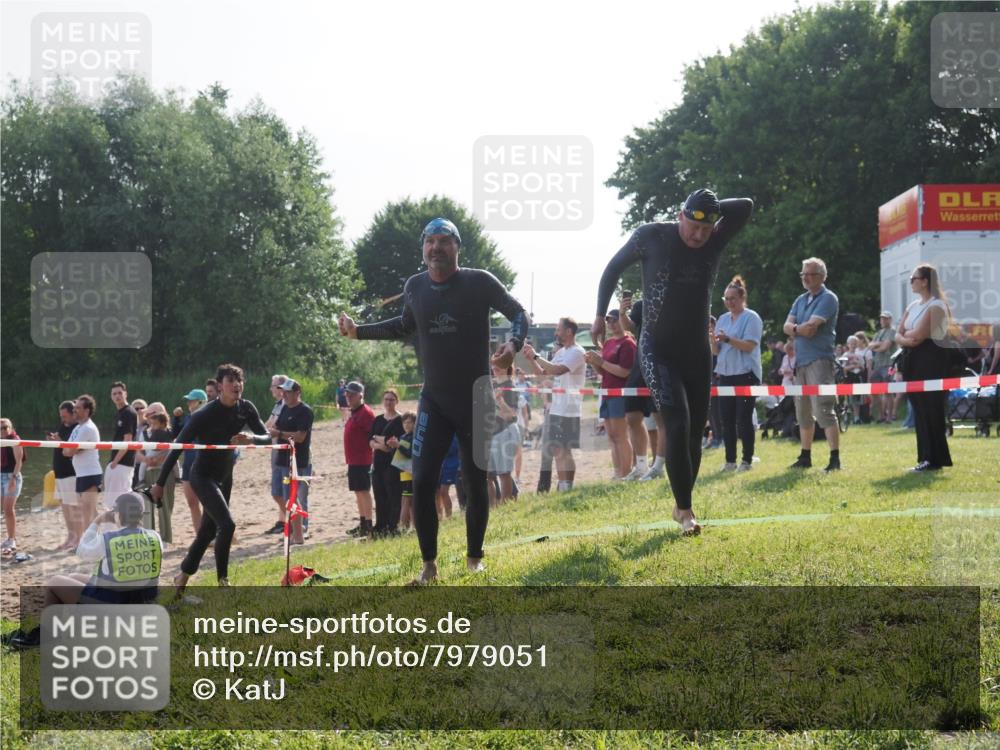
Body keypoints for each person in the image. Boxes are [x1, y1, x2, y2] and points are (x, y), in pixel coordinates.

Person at [338, 217, 528, 583]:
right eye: (430, 241)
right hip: (434, 400)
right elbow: (403, 325)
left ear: (457, 247)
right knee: (422, 480)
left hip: (475, 400)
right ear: (423, 248)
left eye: (444, 241)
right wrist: (358, 332)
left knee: (475, 482)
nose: (436, 247)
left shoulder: (479, 282)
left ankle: (475, 559)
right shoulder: (415, 287)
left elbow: (518, 312)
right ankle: (429, 567)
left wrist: (514, 343)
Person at [593, 188, 754, 534]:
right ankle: (685, 511)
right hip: (657, 348)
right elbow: (612, 269)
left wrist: (706, 209)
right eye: (692, 225)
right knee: (676, 423)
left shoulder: (715, 238)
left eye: (705, 229)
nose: (698, 236)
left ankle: (682, 502)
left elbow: (744, 205)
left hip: (696, 351)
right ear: (680, 216)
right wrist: (597, 316)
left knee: (694, 434)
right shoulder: (653, 235)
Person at [151, 364, 271, 589]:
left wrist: (251, 438)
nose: (236, 385)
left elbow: (267, 437)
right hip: (202, 475)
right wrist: (158, 483)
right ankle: (223, 581)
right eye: (230, 381)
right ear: (219, 387)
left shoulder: (246, 408)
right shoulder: (204, 414)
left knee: (207, 531)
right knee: (227, 525)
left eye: (239, 381)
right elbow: (177, 447)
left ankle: (182, 577)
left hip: (225, 477)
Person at [8, 492, 165, 649]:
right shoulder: (155, 537)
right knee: (73, 576)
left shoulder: (109, 539)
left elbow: (82, 551)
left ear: (118, 514)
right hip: (143, 605)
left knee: (55, 582)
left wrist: (97, 521)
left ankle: (45, 636)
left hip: (115, 612)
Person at [782, 256, 842, 471]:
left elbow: (810, 329)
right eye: (803, 274)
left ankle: (834, 458)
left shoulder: (828, 298)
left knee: (823, 408)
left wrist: (795, 329)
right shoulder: (800, 300)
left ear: (822, 276)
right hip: (801, 362)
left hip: (820, 360)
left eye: (810, 274)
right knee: (803, 411)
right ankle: (805, 456)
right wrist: (797, 329)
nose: (806, 278)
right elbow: (786, 326)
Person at [895, 264, 954, 472]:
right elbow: (898, 334)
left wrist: (907, 336)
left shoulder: (937, 305)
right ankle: (925, 458)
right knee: (919, 409)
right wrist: (907, 337)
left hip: (931, 362)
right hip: (913, 361)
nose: (911, 281)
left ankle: (935, 458)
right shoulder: (912, 306)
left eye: (914, 277)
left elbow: (919, 335)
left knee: (931, 408)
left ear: (925, 281)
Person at [522, 317, 587, 492]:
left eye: (558, 329)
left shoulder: (577, 352)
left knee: (566, 450)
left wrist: (536, 355)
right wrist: (532, 360)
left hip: (569, 409)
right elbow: (544, 375)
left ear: (569, 332)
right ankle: (563, 487)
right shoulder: (560, 353)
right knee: (558, 450)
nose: (556, 333)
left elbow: (558, 370)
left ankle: (567, 487)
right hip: (556, 408)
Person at [711, 275, 763, 471]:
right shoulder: (723, 319)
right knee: (727, 420)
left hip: (745, 373)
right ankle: (730, 461)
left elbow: (749, 346)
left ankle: (747, 460)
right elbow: (716, 351)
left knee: (743, 418)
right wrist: (713, 341)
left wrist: (727, 339)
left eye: (732, 298)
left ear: (742, 298)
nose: (729, 302)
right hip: (725, 374)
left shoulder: (752, 318)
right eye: (726, 299)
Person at [585, 308, 636, 480]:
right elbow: (603, 371)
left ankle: (626, 472)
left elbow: (624, 372)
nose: (611, 323)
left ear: (622, 320)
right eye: (608, 320)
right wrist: (593, 362)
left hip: (620, 394)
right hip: (607, 392)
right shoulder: (608, 343)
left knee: (621, 436)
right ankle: (617, 473)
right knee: (612, 436)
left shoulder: (628, 343)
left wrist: (601, 361)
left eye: (614, 319)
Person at [620, 299, 667, 481]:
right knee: (632, 416)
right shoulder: (642, 303)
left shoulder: (670, 299)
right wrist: (623, 314)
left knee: (661, 419)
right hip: (640, 366)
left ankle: (659, 467)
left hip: (663, 365)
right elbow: (631, 327)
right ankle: (640, 466)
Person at [269, 378, 315, 544]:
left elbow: (300, 437)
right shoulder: (284, 409)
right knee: (278, 494)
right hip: (282, 459)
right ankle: (296, 528)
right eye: (283, 391)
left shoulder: (305, 411)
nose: (284, 394)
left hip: (298, 461)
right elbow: (276, 429)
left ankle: (299, 534)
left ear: (297, 393)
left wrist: (279, 434)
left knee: (295, 498)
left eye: (288, 392)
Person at [342, 381, 376, 538]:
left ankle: (368, 524)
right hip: (353, 459)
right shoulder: (354, 411)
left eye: (351, 394)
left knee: (364, 491)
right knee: (358, 492)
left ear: (360, 395)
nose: (348, 396)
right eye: (347, 394)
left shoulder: (366, 413)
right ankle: (363, 522)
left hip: (363, 459)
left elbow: (372, 436)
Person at [369, 389, 404, 536]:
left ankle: (393, 526)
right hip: (378, 462)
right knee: (379, 494)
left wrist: (382, 440)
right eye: (386, 399)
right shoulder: (377, 420)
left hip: (395, 463)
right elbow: (370, 439)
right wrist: (379, 445)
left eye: (391, 399)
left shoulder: (401, 420)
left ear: (396, 401)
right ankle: (380, 526)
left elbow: (401, 439)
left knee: (394, 494)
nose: (389, 402)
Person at [64, 395, 103, 529]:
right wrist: (73, 450)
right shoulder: (77, 428)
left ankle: (93, 543)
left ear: (86, 411)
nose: (74, 410)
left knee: (88, 513)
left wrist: (72, 450)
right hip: (81, 474)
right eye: (74, 408)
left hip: (90, 473)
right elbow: (65, 451)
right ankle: (96, 541)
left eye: (78, 408)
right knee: (87, 512)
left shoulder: (88, 428)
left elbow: (69, 451)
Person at [139, 403, 176, 542]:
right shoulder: (146, 432)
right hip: (150, 470)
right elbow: (138, 452)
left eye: (153, 413)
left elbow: (173, 450)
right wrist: (147, 460)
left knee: (165, 506)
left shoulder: (169, 432)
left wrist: (161, 458)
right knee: (148, 507)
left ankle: (165, 538)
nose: (149, 416)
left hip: (165, 471)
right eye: (148, 414)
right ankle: (150, 538)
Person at [173, 388, 207, 534]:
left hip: (203, 463)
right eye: (188, 400)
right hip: (188, 463)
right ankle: (199, 535)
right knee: (192, 502)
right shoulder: (187, 418)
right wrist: (176, 419)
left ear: (200, 402)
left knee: (208, 503)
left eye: (191, 400)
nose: (188, 403)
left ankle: (211, 533)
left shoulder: (207, 417)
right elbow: (176, 435)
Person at [488, 356, 520, 506]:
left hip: (504, 432)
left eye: (498, 365)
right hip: (489, 433)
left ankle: (505, 505)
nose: (495, 367)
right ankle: (492, 507)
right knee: (488, 475)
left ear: (507, 367)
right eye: (493, 364)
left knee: (503, 473)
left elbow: (512, 415)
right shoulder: (491, 384)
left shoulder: (510, 386)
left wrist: (500, 402)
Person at [102, 382, 138, 508]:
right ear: (111, 396)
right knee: (117, 500)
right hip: (121, 463)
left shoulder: (128, 412)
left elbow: (127, 441)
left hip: (122, 463)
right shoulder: (121, 412)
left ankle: (117, 527)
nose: (117, 396)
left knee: (115, 502)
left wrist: (114, 462)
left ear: (125, 394)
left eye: (119, 393)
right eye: (114, 394)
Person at [49, 401, 79, 551]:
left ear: (73, 413)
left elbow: (71, 449)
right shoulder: (63, 426)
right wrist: (53, 440)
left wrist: (59, 441)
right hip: (59, 472)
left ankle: (77, 538)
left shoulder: (77, 428)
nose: (63, 419)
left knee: (73, 506)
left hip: (70, 472)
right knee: (64, 505)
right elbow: (60, 443)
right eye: (61, 416)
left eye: (65, 416)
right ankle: (70, 536)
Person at [263, 374, 289, 535]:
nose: (271, 388)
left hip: (282, 450)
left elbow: (272, 425)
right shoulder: (278, 404)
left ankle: (287, 520)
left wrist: (264, 431)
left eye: (273, 385)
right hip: (275, 448)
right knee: (277, 490)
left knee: (282, 490)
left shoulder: (286, 405)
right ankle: (282, 520)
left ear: (280, 388)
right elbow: (267, 424)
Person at [1, 418, 25, 558]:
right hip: (0, 475)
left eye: (6, 427)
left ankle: (12, 539)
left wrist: (13, 478)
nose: (4, 430)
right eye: (1, 428)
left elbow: (19, 461)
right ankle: (8, 538)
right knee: (3, 509)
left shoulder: (15, 439)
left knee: (9, 509)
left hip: (12, 476)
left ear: (10, 427)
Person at [869, 312, 898, 422]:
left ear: (890, 320)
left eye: (885, 319)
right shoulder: (879, 333)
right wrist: (878, 345)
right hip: (878, 365)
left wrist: (876, 345)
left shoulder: (892, 332)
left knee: (888, 391)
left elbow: (885, 348)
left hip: (889, 365)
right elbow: (870, 345)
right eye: (882, 319)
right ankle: (881, 415)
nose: (883, 321)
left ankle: (889, 417)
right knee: (875, 391)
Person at [390, 412, 417, 531]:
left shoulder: (414, 437)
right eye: (404, 422)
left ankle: (404, 527)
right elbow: (398, 456)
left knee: (407, 501)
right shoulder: (403, 437)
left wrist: (398, 446)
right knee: (407, 500)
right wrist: (394, 446)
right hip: (404, 472)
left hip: (411, 473)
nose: (407, 425)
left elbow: (410, 454)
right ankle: (408, 526)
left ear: (415, 424)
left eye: (410, 422)